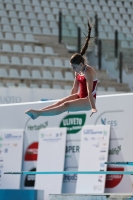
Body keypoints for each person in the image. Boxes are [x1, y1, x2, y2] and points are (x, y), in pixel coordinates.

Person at [25, 21, 98, 120]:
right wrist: (72, 104)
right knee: (60, 103)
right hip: (80, 96)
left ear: (81, 64)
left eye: (74, 67)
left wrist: (93, 108)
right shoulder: (78, 71)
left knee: (66, 105)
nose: (73, 69)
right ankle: (38, 112)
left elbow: (89, 92)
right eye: (72, 67)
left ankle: (39, 113)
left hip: (88, 101)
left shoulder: (88, 71)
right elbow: (74, 89)